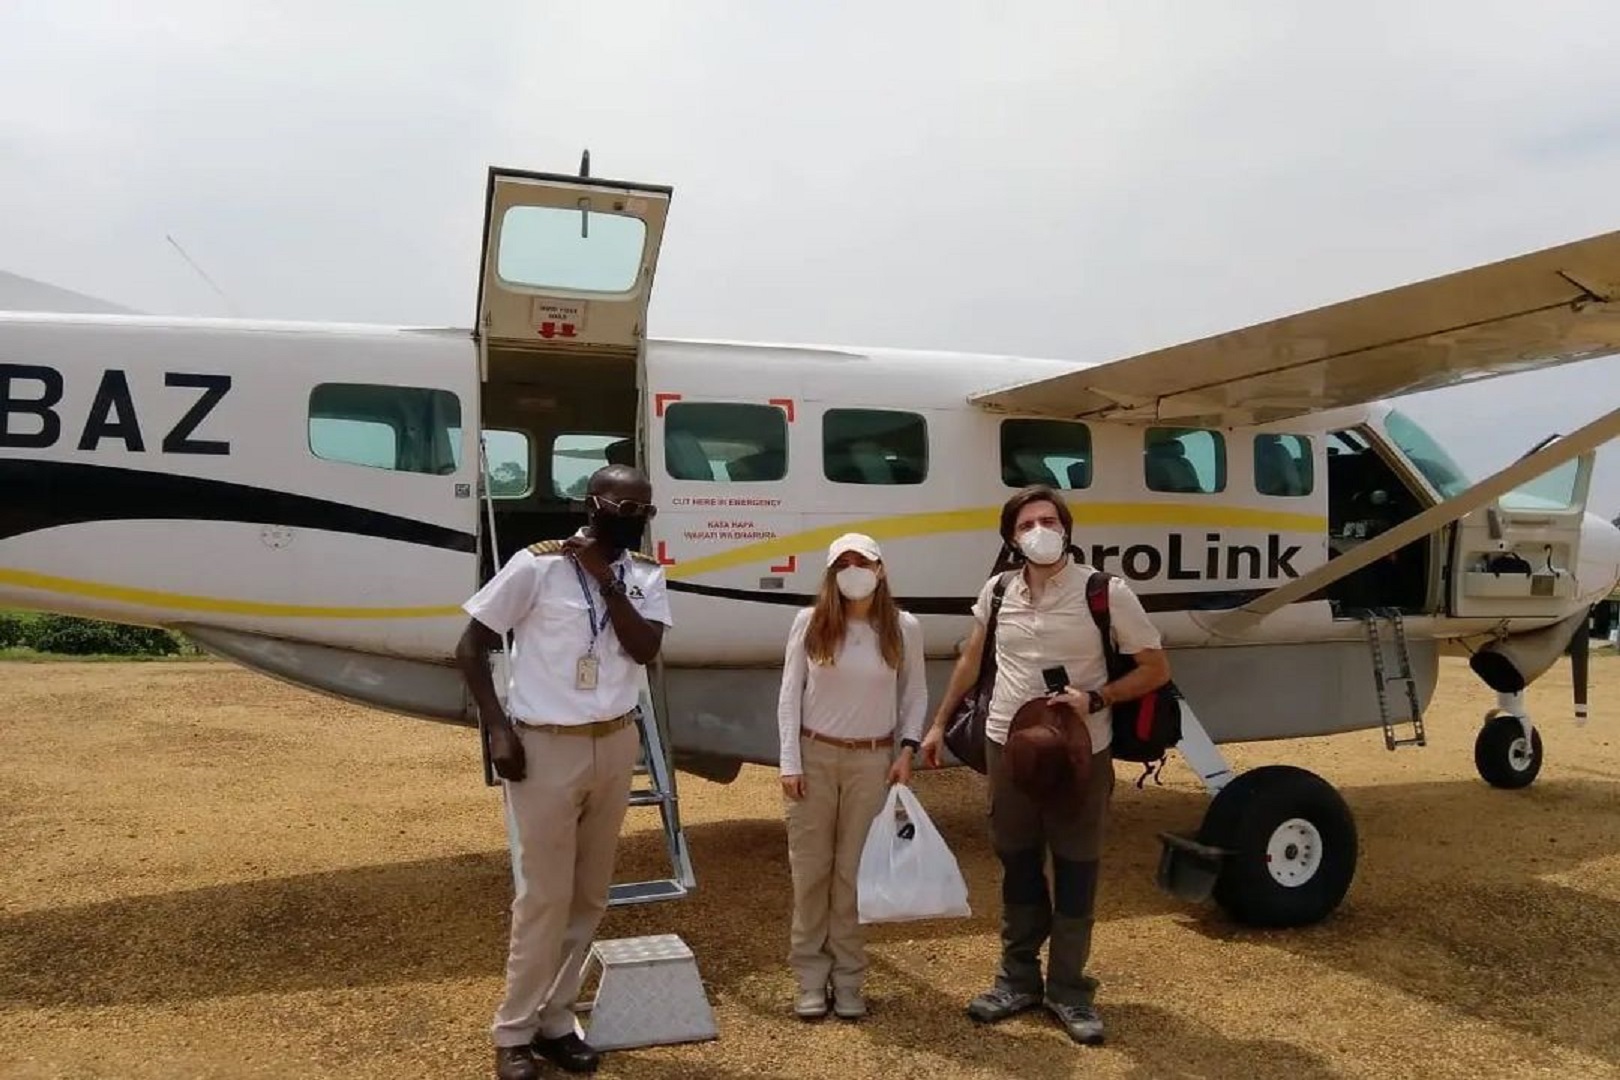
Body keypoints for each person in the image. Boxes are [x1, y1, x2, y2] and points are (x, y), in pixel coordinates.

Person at [921, 485, 1170, 1046]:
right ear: (1012, 536)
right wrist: (939, 723)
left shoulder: (1106, 592)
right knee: (1017, 862)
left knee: (1077, 865)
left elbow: (1154, 667)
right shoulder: (998, 589)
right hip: (1008, 748)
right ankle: (1017, 982)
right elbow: (971, 658)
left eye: (1050, 519)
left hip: (1081, 751)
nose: (1041, 529)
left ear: (1067, 529)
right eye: (1029, 522)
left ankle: (1069, 991)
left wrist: (1097, 698)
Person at [456, 464, 673, 1080]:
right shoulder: (536, 566)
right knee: (543, 898)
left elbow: (645, 649)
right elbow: (470, 646)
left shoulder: (644, 577)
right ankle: (513, 1031)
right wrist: (497, 728)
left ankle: (556, 1021)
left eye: (642, 511)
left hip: (614, 742)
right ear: (592, 504)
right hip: (546, 746)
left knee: (589, 895)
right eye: (620, 506)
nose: (631, 518)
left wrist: (606, 583)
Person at [777, 532, 927, 1021]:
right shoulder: (810, 622)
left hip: (872, 760)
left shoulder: (903, 627)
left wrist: (907, 750)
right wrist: (789, 762)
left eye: (862, 561)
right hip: (814, 756)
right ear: (830, 573)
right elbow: (789, 695)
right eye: (842, 563)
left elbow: (915, 695)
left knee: (853, 876)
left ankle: (849, 980)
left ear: (880, 569)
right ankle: (809, 979)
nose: (853, 570)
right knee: (811, 872)